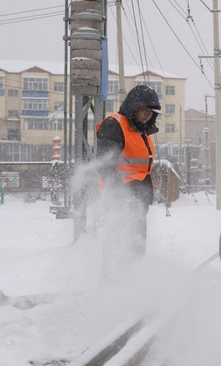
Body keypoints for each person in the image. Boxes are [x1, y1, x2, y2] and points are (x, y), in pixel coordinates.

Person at [95, 85, 161, 278]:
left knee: (135, 247)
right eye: (144, 110)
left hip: (137, 199)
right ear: (134, 107)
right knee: (118, 245)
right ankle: (112, 288)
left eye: (151, 112)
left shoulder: (139, 130)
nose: (148, 115)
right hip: (121, 198)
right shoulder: (115, 125)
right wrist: (119, 194)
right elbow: (105, 163)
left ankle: (131, 288)